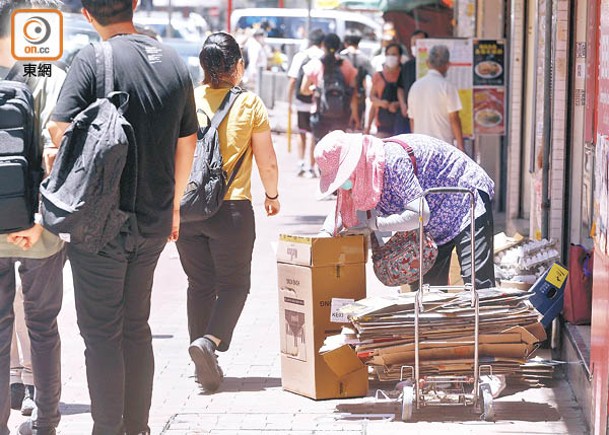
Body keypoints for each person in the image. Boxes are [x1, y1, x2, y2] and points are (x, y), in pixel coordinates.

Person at [46, 0, 198, 433]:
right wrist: (173, 208)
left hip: (99, 224)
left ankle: (107, 428)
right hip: (153, 219)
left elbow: (60, 128)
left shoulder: (92, 60)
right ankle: (138, 427)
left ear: (87, 15)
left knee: (101, 335)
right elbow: (187, 141)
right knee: (136, 327)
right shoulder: (172, 60)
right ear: (133, 4)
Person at [175, 32, 280, 394]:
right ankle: (209, 343)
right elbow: (266, 161)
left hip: (188, 210)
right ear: (237, 66)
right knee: (235, 284)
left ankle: (199, 353)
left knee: (199, 284)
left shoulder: (187, 99)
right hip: (232, 209)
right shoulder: (249, 103)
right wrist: (272, 195)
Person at [0, 0, 67, 433]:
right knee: (43, 326)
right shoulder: (56, 77)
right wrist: (42, 217)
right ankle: (46, 422)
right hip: (40, 227)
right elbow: (64, 153)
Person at [315, 131, 495, 289]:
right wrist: (323, 238)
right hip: (434, 219)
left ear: (353, 164)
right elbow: (343, 205)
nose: (345, 183)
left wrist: (376, 224)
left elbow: (419, 214)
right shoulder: (363, 173)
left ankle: (483, 325)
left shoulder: (392, 162)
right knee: (426, 296)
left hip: (464, 201)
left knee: (478, 286)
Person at [300, 33, 359, 143]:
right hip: (342, 113)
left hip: (319, 112)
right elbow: (353, 92)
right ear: (339, 46)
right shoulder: (346, 65)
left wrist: (314, 89)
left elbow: (303, 89)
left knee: (320, 147)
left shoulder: (315, 64)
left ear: (323, 45)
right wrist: (355, 114)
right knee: (338, 148)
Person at [407, 45, 464, 151]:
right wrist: (461, 147)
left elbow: (412, 119)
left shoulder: (415, 86)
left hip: (420, 147)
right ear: (447, 65)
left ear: (428, 63)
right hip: (443, 147)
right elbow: (454, 118)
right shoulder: (447, 86)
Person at [287, 28, 324, 178]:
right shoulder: (323, 56)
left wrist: (289, 102)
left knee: (301, 133)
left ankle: (301, 163)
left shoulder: (300, 56)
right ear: (322, 42)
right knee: (314, 135)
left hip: (301, 101)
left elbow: (292, 80)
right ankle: (311, 166)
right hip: (318, 101)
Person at [340, 29, 375, 132]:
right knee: (357, 132)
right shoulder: (364, 59)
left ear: (345, 42)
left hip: (341, 99)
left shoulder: (340, 58)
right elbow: (375, 77)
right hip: (359, 98)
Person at [367, 43, 403, 138]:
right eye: (388, 54)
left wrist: (398, 104)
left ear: (400, 57)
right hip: (382, 125)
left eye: (394, 54)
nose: (391, 57)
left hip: (401, 125)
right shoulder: (378, 76)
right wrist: (382, 103)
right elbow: (372, 98)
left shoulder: (404, 75)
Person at [396, 30, 428, 135]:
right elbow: (400, 87)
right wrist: (403, 104)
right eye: (413, 44)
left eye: (419, 43)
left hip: (428, 115)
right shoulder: (407, 66)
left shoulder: (433, 66)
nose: (415, 46)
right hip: (409, 115)